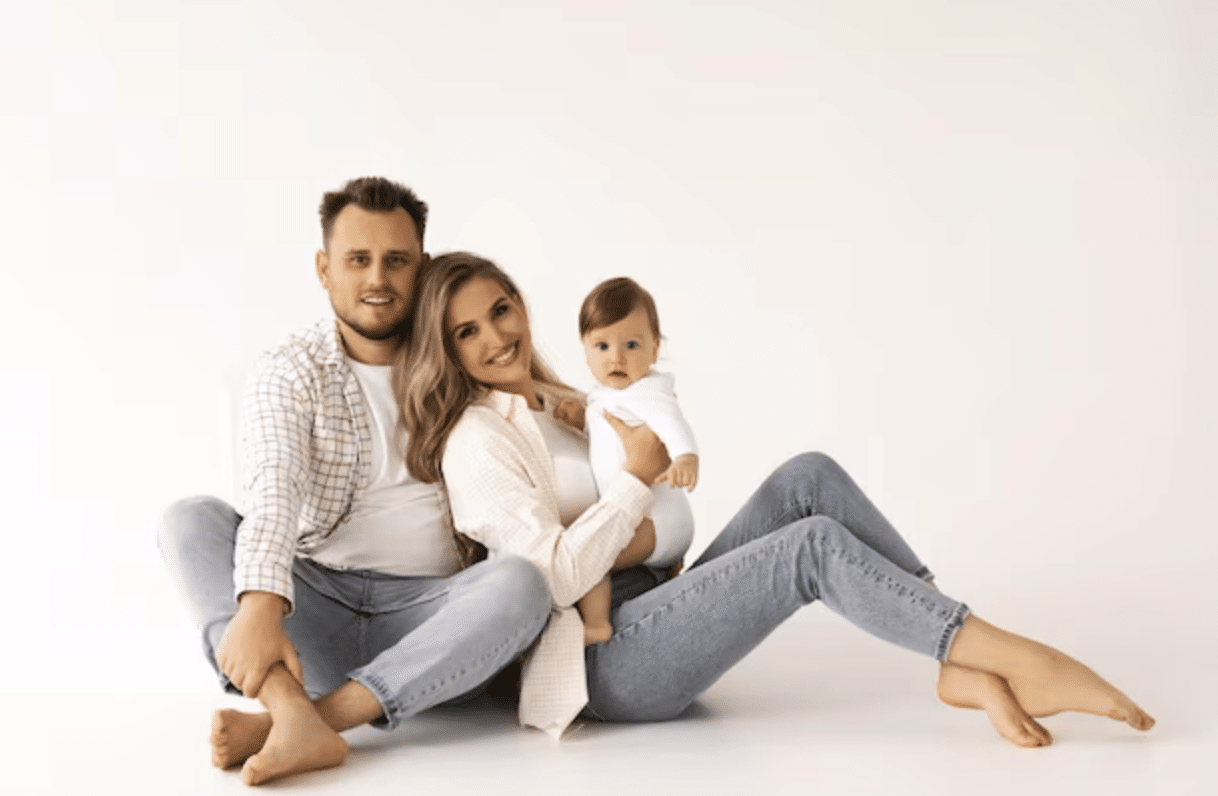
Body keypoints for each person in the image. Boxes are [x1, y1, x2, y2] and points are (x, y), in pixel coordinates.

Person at [398, 251, 1156, 746]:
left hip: (655, 596)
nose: (496, 336)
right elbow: (552, 577)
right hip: (605, 663)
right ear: (443, 349)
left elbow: (660, 523)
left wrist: (647, 528)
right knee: (809, 548)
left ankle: (958, 660)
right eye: (467, 332)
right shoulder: (476, 440)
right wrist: (633, 485)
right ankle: (1018, 657)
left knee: (808, 476)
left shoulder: (568, 401)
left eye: (501, 309)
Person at [156, 179, 552, 787]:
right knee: (189, 520)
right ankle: (287, 705)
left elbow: (538, 424)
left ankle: (308, 725)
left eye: (396, 261)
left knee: (522, 582)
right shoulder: (293, 369)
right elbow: (274, 488)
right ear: (324, 269)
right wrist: (260, 603)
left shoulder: (459, 352)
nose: (377, 279)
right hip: (314, 610)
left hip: (434, 621)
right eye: (358, 260)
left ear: (421, 267)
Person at [554, 277, 698, 644]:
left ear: (654, 349)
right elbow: (610, 438)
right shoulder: (606, 396)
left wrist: (685, 456)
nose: (616, 358)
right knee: (596, 545)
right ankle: (669, 574)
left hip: (657, 520)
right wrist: (580, 420)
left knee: (593, 554)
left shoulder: (646, 392)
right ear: (586, 352)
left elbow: (672, 423)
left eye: (631, 345)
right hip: (648, 520)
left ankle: (596, 623)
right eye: (602, 346)